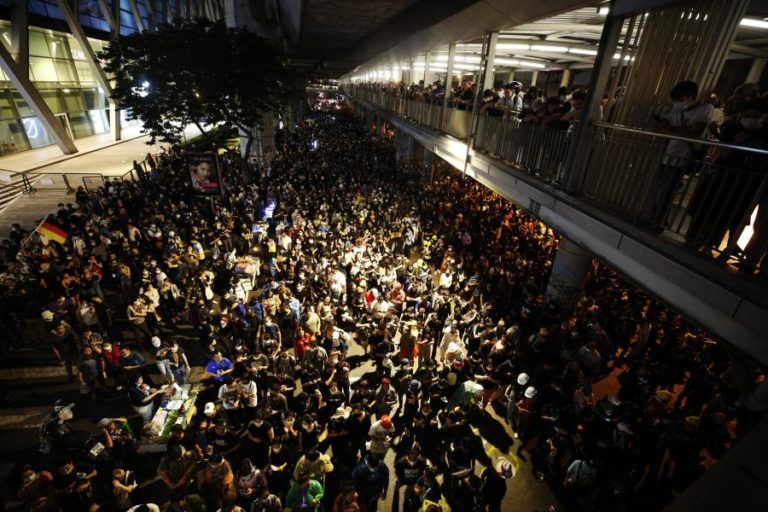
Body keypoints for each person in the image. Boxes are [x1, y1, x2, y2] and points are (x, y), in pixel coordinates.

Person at [645, 80, 714, 230]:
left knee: (666, 192)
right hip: (668, 154)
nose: (677, 104)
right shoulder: (677, 111)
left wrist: (671, 129)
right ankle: (653, 219)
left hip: (682, 158)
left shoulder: (706, 109)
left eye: (680, 100)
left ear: (692, 96)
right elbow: (668, 128)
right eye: (675, 101)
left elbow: (695, 133)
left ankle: (657, 222)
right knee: (658, 189)